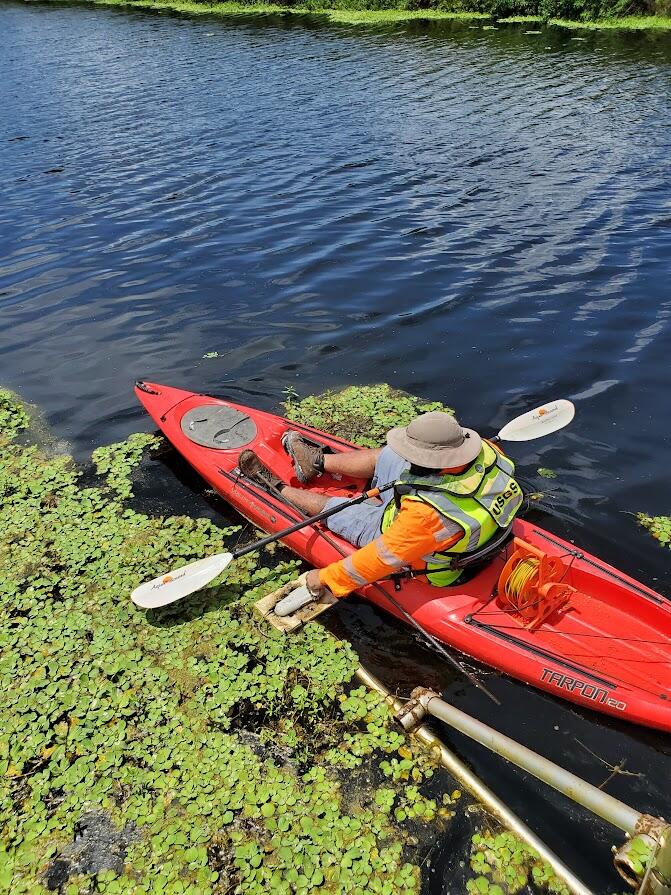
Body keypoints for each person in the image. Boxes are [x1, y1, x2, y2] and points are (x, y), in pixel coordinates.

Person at [238, 411, 523, 601]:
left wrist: (323, 578)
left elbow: (379, 560)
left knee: (335, 506)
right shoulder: (489, 452)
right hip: (455, 529)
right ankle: (316, 462)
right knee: (389, 456)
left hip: (421, 551)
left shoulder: (427, 517)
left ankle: (278, 488)